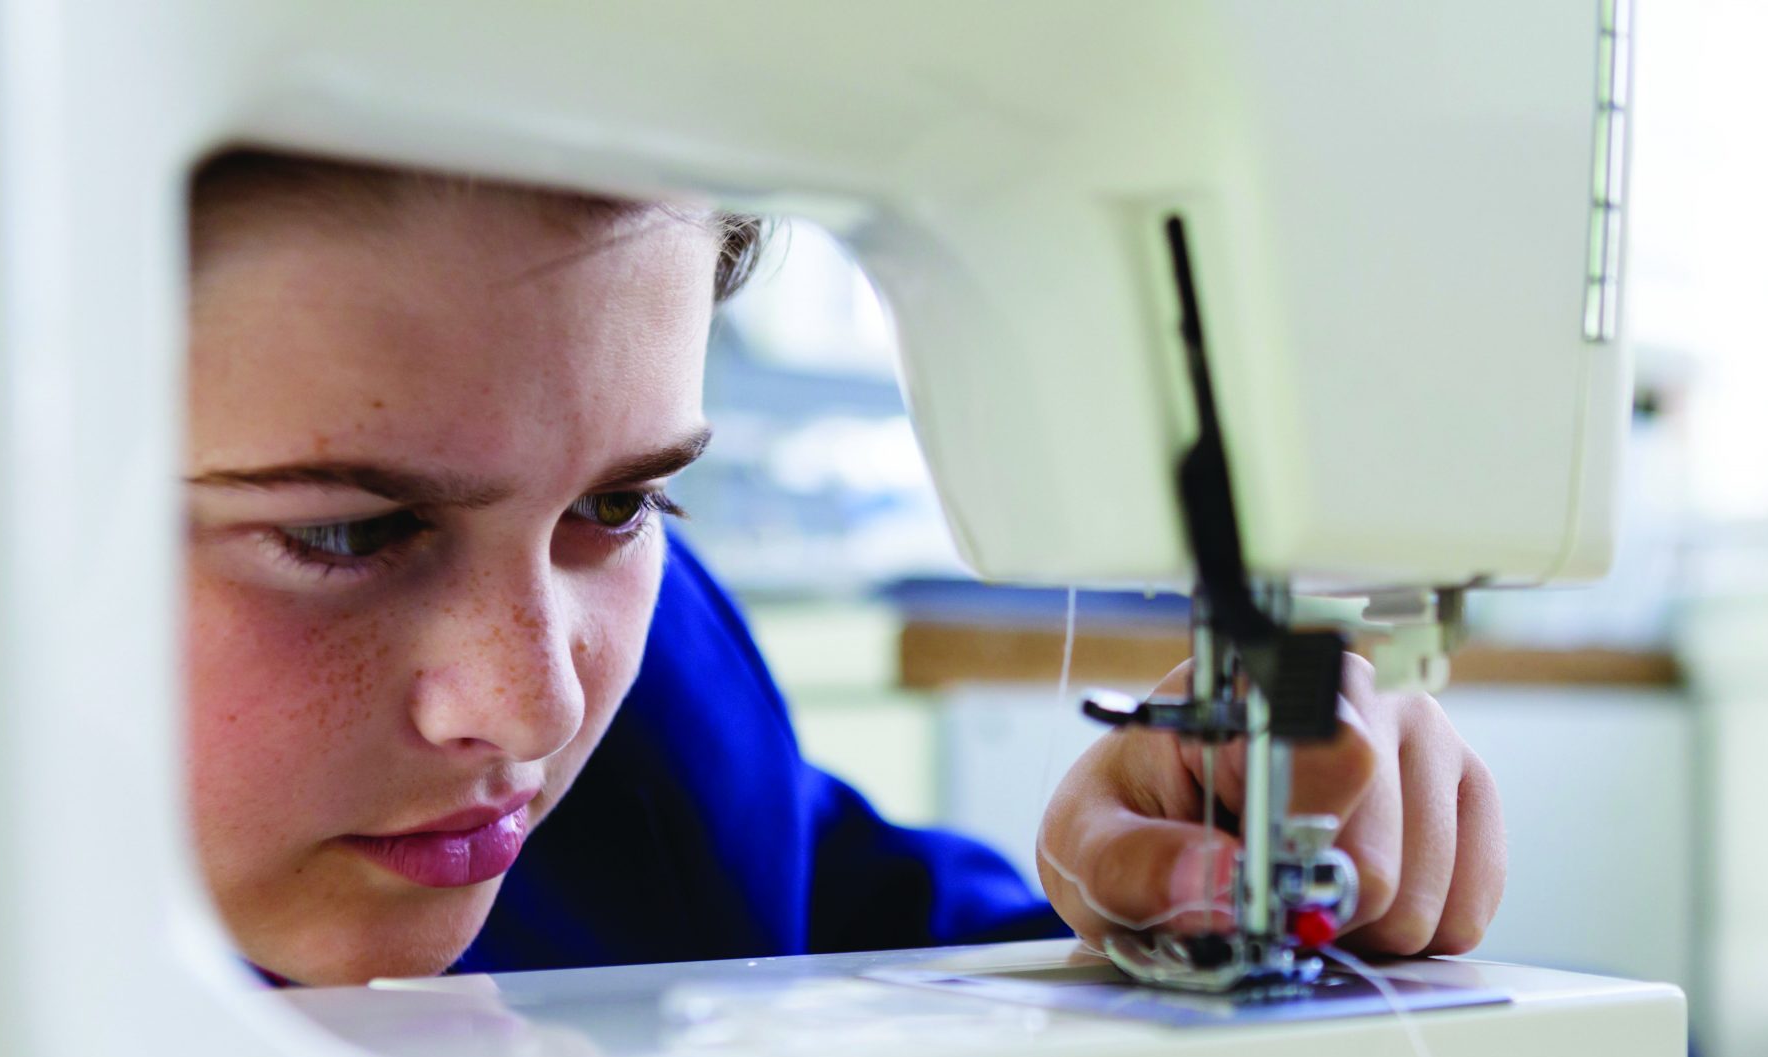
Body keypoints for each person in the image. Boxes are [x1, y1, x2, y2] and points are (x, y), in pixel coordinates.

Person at [185, 153, 1505, 986]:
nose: (540, 707)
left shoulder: (662, 709)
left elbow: (888, 960)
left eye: (622, 498)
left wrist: (1160, 895)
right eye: (350, 534)